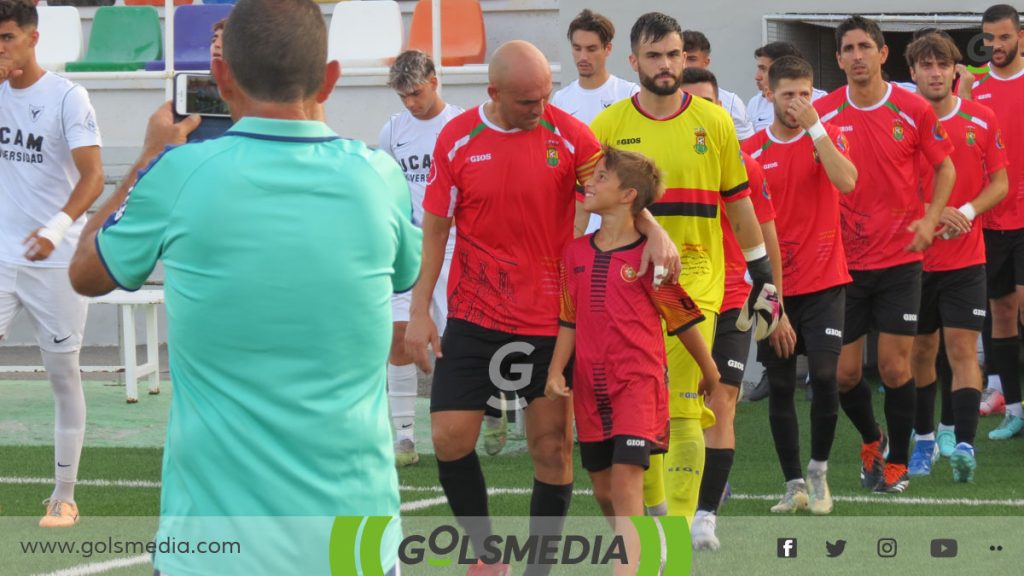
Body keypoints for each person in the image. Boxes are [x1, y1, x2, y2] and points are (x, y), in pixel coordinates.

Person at [69, 1, 418, 574]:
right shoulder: (379, 179)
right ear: (329, 79)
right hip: (353, 546)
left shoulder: (179, 175)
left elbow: (85, 271)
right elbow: (406, 274)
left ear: (222, 79)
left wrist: (146, 162)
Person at [406, 40, 678, 576]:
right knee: (447, 437)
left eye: (546, 96)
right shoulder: (457, 140)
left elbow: (619, 188)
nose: (540, 108)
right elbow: (436, 229)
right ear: (494, 93)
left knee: (552, 449)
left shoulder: (567, 134)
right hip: (475, 312)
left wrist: (653, 228)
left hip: (552, 321)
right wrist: (419, 310)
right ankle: (486, 558)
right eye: (528, 101)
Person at [590, 12, 780, 523]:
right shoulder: (608, 127)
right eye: (654, 55)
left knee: (682, 406)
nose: (667, 64)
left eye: (674, 54)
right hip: (627, 285)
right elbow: (591, 205)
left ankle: (677, 530)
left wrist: (762, 274)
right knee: (637, 410)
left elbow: (739, 205)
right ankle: (655, 513)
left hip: (693, 281)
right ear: (633, 62)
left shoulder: (714, 122)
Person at [546, 147, 717, 574]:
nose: (591, 182)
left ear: (628, 195)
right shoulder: (575, 253)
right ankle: (644, 550)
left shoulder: (651, 257)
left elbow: (681, 318)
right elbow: (569, 317)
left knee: (625, 480)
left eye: (602, 177)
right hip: (589, 388)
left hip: (638, 385)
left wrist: (710, 372)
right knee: (604, 490)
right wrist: (554, 370)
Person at [814, 15, 955, 494]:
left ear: (882, 53)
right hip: (843, 263)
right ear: (838, 59)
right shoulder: (826, 114)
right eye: (847, 49)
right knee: (844, 373)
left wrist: (931, 217)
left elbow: (946, 170)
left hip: (900, 259)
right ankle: (871, 439)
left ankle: (895, 463)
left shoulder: (914, 109)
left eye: (864, 47)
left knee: (896, 367)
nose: (856, 56)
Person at [0, 0, 103, 528]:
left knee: (62, 375)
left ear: (33, 39)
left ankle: (64, 494)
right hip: (0, 259)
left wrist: (56, 228)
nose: (0, 47)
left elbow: (93, 177)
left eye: (8, 37)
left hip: (54, 261)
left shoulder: (67, 96)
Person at [742, 55, 858, 516]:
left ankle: (819, 471)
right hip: (772, 289)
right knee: (782, 383)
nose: (798, 103)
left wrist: (817, 129)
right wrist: (772, 300)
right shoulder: (749, 151)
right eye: (788, 94)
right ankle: (793, 483)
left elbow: (847, 182)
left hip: (827, 281)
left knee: (827, 377)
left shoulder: (825, 139)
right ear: (768, 94)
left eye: (806, 94)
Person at [680, 67, 784, 550]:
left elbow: (766, 238)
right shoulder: (656, 163)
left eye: (710, 103)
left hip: (732, 302)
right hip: (673, 304)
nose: (702, 112)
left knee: (721, 400)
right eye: (692, 102)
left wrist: (774, 303)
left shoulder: (746, 165)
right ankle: (670, 508)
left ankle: (705, 515)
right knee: (674, 410)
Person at [906, 32, 1008, 480]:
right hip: (913, 260)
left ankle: (965, 444)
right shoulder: (903, 121)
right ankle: (924, 441)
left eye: (941, 65)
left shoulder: (982, 119)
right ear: (912, 73)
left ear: (954, 71)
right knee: (921, 353)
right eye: (925, 66)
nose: (934, 73)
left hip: (968, 258)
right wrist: (929, 215)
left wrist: (963, 211)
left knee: (964, 350)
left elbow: (1000, 184)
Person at [378, 49, 463, 467]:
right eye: (402, 96)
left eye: (415, 92)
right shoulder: (393, 132)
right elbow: (391, 195)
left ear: (434, 79)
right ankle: (405, 437)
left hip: (457, 248)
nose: (410, 102)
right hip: (411, 248)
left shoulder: (463, 125)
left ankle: (496, 409)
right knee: (399, 336)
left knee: (459, 345)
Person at [973, 4, 1024, 438]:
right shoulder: (976, 89)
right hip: (991, 221)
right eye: (990, 38)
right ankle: (1016, 408)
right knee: (1002, 314)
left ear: (1020, 37)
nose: (996, 46)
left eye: (1004, 37)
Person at [551, 9, 639, 235]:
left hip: (621, 216)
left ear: (607, 49)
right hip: (578, 215)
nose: (583, 57)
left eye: (591, 49)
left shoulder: (629, 94)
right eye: (577, 48)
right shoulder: (560, 100)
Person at [681, 30, 755, 140]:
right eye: (680, 58)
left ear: (706, 62)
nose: (684, 65)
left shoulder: (731, 104)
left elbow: (745, 150)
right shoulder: (657, 100)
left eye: (692, 59)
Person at [747, 41, 828, 133]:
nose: (757, 76)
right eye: (788, 95)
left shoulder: (822, 100)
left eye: (763, 69)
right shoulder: (755, 103)